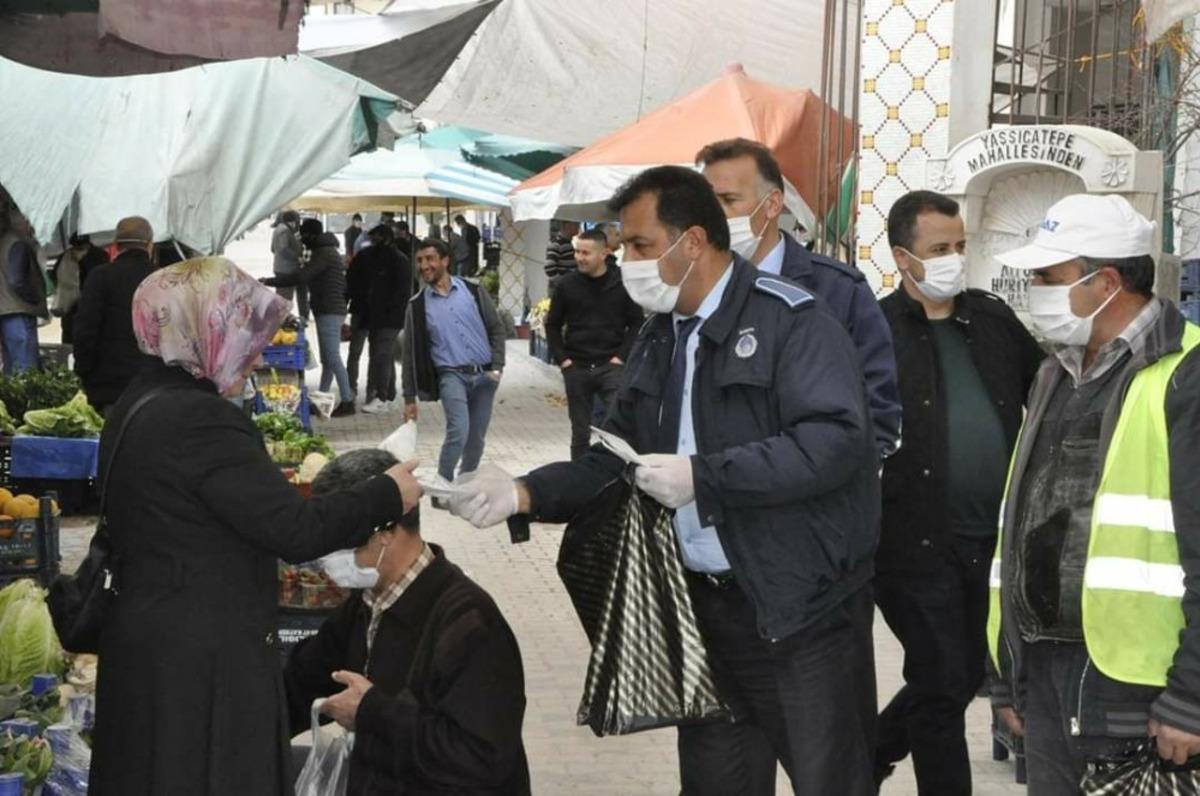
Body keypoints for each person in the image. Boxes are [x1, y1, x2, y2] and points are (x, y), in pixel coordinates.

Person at [450, 166, 880, 795]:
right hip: (702, 610)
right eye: (624, 246)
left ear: (694, 242)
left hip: (798, 613)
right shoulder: (660, 336)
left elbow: (835, 442)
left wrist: (706, 477)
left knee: (831, 782)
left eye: (641, 245)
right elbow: (613, 458)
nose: (628, 261)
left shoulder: (792, 322)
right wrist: (523, 492)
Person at [89, 256, 422, 796]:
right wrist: (385, 493)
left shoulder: (137, 402)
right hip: (199, 660)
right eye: (243, 333)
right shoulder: (201, 420)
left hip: (150, 643)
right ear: (204, 331)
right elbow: (294, 529)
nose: (258, 353)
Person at [987, 194, 1200, 794]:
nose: (1035, 290)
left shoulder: (1185, 374)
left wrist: (1191, 695)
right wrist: (1007, 670)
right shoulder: (1055, 372)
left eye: (1048, 278)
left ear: (1106, 282)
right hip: (1049, 673)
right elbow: (1022, 522)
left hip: (1140, 686)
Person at [870, 190, 1044, 793]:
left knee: (960, 674)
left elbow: (1043, 393)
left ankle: (867, 755)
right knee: (943, 679)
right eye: (939, 248)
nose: (954, 259)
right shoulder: (873, 330)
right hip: (912, 545)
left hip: (992, 542)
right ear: (903, 257)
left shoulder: (993, 320)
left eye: (960, 246)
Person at [285, 449, 530, 795]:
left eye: (338, 538)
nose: (327, 556)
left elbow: (481, 760)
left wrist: (372, 713)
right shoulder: (365, 605)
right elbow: (302, 682)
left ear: (385, 531)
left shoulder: (471, 624)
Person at [696, 138, 902, 460]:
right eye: (707, 204)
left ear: (772, 205)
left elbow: (878, 408)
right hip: (714, 483)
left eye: (728, 200)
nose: (713, 216)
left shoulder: (838, 291)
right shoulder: (692, 292)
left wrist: (830, 478)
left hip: (813, 486)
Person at [401, 238, 506, 492]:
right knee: (459, 431)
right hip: (451, 376)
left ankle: (464, 486)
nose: (424, 266)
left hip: (484, 376)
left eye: (430, 259)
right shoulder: (417, 305)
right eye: (420, 261)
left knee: (476, 439)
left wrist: (497, 367)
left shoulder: (473, 291)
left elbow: (496, 328)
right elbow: (409, 353)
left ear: (445, 261)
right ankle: (443, 486)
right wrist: (409, 398)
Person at [544, 228, 643, 459]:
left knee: (616, 429)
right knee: (580, 433)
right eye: (577, 252)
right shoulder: (566, 285)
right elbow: (552, 325)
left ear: (604, 253)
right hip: (577, 367)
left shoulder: (622, 284)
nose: (579, 258)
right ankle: (579, 475)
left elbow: (636, 323)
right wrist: (563, 361)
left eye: (586, 253)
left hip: (611, 367)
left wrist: (621, 357)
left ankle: (613, 474)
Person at [263, 218, 355, 417]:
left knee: (333, 358)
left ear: (312, 235)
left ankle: (348, 400)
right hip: (328, 309)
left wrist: (270, 281)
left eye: (304, 235)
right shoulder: (326, 251)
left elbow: (301, 277)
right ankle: (322, 399)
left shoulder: (323, 254)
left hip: (330, 310)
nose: (302, 240)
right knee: (328, 360)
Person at [73, 216, 160, 414]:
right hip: (153, 388)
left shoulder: (100, 277)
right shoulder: (161, 280)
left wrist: (83, 372)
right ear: (150, 245)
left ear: (116, 245)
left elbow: (85, 330)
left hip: (109, 387)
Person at [346, 225, 413, 414]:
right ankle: (379, 395)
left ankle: (373, 394)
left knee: (373, 354)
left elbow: (350, 282)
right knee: (381, 354)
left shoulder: (367, 256)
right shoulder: (399, 259)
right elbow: (405, 290)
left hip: (372, 313)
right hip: (382, 315)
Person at [0, 210, 47, 374]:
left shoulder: (3, 241)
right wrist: (34, 298)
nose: (30, 224)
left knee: (11, 367)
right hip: (19, 309)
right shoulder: (17, 243)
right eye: (27, 220)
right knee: (25, 367)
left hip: (5, 310)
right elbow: (17, 280)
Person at [50, 233, 109, 345]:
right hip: (72, 308)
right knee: (71, 338)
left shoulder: (98, 256)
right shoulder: (65, 257)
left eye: (80, 248)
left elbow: (98, 277)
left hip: (89, 306)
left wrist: (82, 261)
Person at [271, 210, 307, 320]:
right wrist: (297, 257)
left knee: (282, 297)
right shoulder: (284, 231)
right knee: (285, 298)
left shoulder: (278, 229)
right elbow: (284, 249)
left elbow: (273, 249)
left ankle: (282, 318)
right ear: (293, 221)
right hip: (286, 269)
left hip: (280, 267)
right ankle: (282, 320)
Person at [543, 220, 579, 288]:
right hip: (561, 288)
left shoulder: (568, 243)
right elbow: (549, 267)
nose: (578, 227)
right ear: (567, 225)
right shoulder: (556, 244)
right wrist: (562, 282)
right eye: (576, 224)